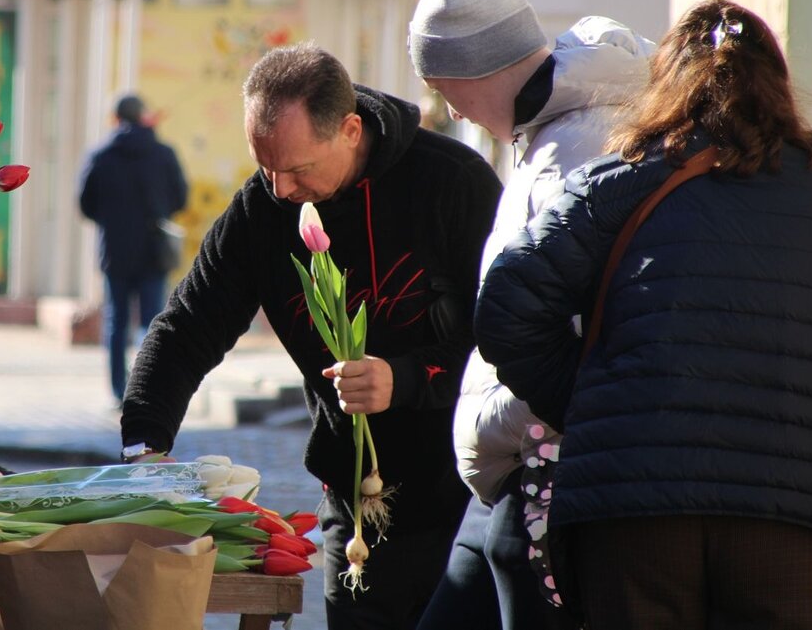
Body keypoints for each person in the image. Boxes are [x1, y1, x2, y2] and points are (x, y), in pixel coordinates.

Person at [474, 0, 812, 629]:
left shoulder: (617, 182)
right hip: (797, 516)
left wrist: (588, 401)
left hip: (633, 512)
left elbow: (507, 300)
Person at [120, 42, 502, 629]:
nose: (280, 189)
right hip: (353, 512)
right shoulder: (262, 212)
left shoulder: (453, 183)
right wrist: (143, 444)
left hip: (464, 502)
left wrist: (402, 379)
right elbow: (187, 326)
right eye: (265, 166)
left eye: (297, 170)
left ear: (350, 130)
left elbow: (502, 342)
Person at [406, 0, 654, 629]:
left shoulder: (575, 141)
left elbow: (572, 317)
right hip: (521, 449)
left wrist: (522, 417)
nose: (450, 109)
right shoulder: (552, 128)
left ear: (475, 70)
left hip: (543, 458)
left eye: (443, 88)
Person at [79, 93, 188, 405]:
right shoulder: (163, 154)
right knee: (153, 321)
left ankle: (118, 391)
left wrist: (112, 220)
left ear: (115, 119)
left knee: (117, 322)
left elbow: (86, 204)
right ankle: (149, 388)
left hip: (115, 251)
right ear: (144, 117)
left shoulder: (100, 155)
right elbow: (180, 198)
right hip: (155, 251)